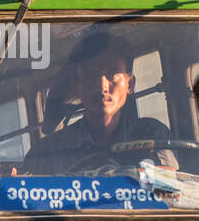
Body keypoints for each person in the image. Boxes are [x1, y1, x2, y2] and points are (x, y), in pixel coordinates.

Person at [24, 33, 177, 174]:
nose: (102, 86)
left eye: (113, 74)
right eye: (90, 76)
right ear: (77, 85)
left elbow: (168, 190)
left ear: (130, 84)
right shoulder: (49, 151)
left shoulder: (151, 134)